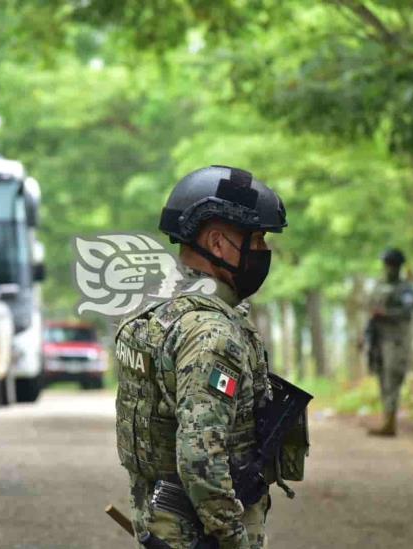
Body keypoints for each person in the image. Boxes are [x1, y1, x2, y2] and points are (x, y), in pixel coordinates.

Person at [114, 165, 291, 548]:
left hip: (164, 527)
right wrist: (233, 539)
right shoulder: (211, 334)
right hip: (200, 535)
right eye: (256, 239)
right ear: (216, 243)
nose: (263, 252)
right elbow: (200, 459)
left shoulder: (157, 311)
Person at [364, 248, 413, 437]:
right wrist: (364, 336)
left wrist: (387, 314)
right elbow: (370, 312)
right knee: (382, 379)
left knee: (393, 378)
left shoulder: (405, 289)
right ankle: (387, 420)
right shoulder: (378, 286)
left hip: (396, 341)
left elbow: (408, 312)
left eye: (392, 265)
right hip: (378, 340)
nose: (388, 268)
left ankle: (390, 422)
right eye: (387, 264)